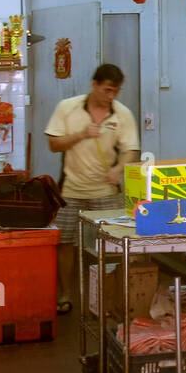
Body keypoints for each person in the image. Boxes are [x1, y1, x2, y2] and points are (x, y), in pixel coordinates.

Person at [44, 64, 140, 314]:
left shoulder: (122, 114)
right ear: (94, 85)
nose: (111, 97)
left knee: (114, 244)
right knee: (64, 242)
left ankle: (109, 298)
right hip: (71, 190)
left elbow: (131, 149)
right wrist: (81, 134)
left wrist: (118, 169)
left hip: (106, 192)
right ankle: (65, 294)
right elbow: (54, 144)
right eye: (107, 90)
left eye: (116, 91)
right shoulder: (68, 107)